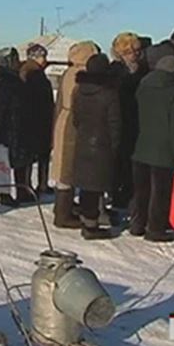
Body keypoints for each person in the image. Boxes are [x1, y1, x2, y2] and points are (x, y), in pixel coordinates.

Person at [132, 46, 174, 242]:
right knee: (160, 192)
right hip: (164, 151)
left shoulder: (142, 86)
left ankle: (137, 224)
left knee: (141, 190)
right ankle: (155, 229)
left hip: (140, 146)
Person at [72, 53, 122, 240]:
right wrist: (115, 145)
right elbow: (115, 123)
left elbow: (76, 119)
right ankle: (91, 226)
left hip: (84, 141)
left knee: (87, 186)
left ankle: (88, 220)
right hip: (102, 144)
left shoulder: (79, 90)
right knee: (96, 185)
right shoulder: (109, 92)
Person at [51, 41, 100, 228]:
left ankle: (63, 208)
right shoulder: (80, 75)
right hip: (71, 123)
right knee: (66, 168)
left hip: (64, 120)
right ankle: (62, 215)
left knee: (65, 167)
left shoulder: (68, 73)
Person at [0, 47, 36, 207]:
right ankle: (5, 194)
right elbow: (0, 108)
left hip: (19, 124)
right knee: (5, 160)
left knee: (20, 160)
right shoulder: (1, 80)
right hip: (7, 126)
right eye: (13, 60)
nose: (17, 63)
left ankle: (21, 191)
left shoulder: (13, 78)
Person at [110, 32, 149, 209]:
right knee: (119, 162)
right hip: (120, 122)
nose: (134, 55)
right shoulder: (114, 72)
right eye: (129, 51)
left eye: (136, 51)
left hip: (137, 123)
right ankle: (118, 195)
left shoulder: (143, 71)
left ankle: (128, 194)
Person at [20, 43, 56, 195]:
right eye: (43, 56)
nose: (45, 60)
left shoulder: (24, 71)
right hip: (39, 119)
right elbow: (43, 99)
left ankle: (30, 185)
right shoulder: (35, 74)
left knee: (32, 155)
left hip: (29, 119)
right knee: (41, 154)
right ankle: (40, 184)